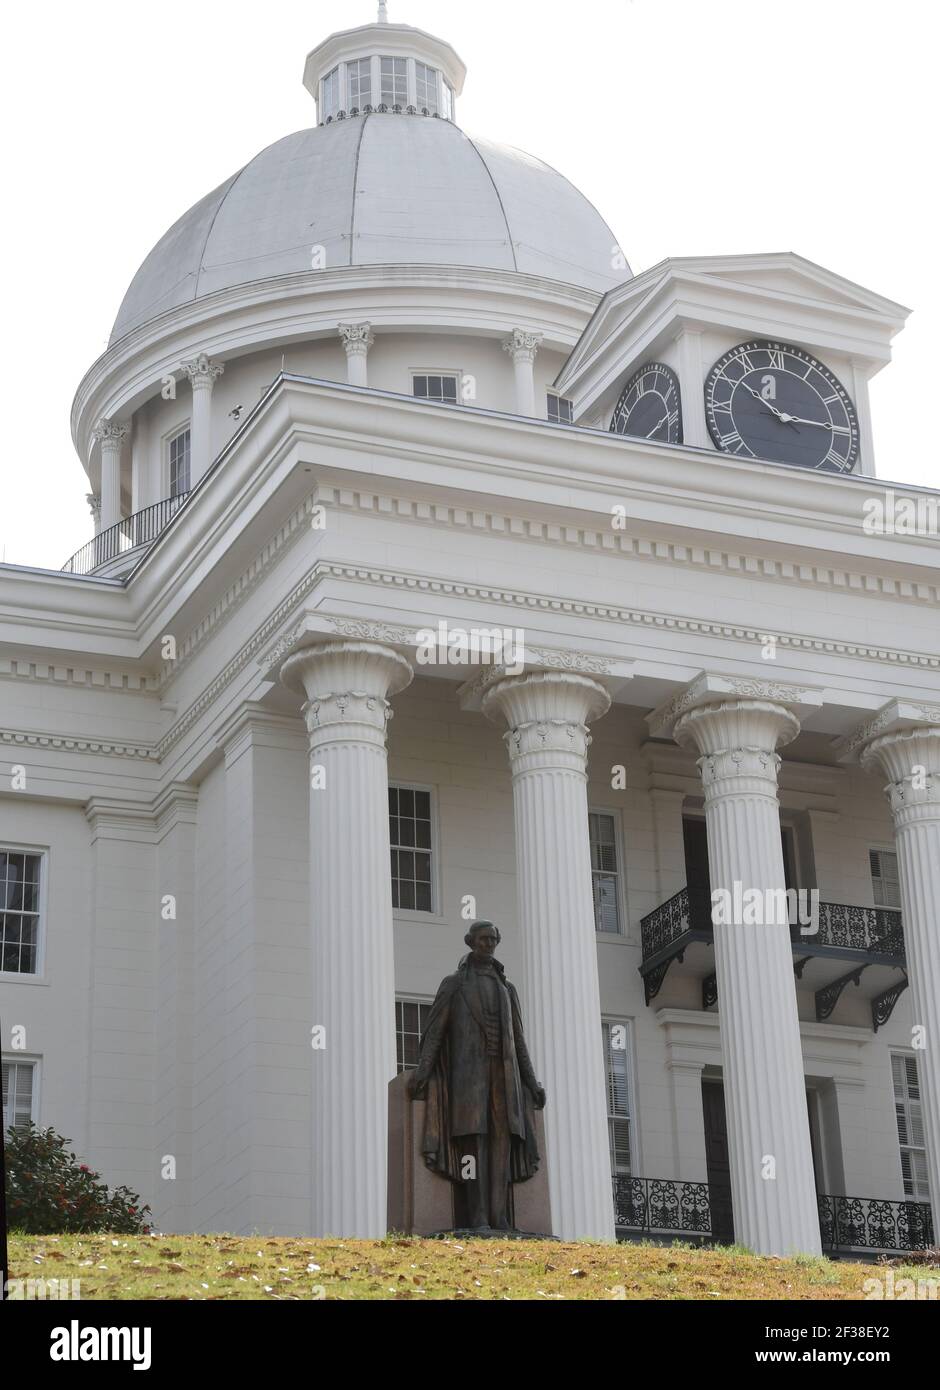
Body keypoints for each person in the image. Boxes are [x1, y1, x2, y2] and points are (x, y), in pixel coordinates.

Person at [407, 920, 545, 1230]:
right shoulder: (454, 984)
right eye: (482, 939)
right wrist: (424, 1070)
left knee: (501, 1147)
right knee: (473, 1146)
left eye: (493, 939)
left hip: (504, 1077)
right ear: (470, 942)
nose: (488, 944)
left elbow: (519, 1040)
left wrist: (532, 1082)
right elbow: (435, 1032)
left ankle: (499, 1216)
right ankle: (477, 1214)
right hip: (468, 1079)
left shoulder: (507, 989)